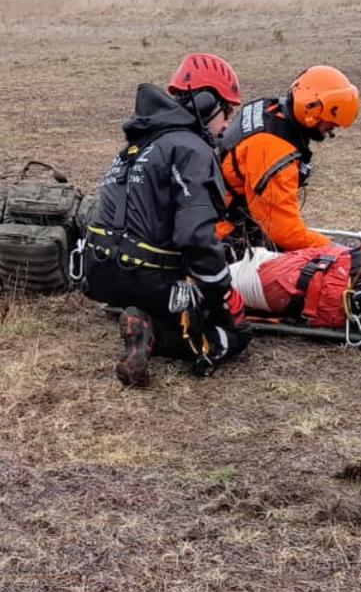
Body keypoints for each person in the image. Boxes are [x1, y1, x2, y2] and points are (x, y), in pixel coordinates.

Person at [83, 54, 252, 387]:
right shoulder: (192, 149)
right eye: (227, 113)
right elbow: (195, 238)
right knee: (237, 333)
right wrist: (222, 291)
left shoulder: (140, 142)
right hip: (149, 278)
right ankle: (160, 336)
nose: (226, 126)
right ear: (206, 105)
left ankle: (147, 317)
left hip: (101, 271)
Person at [218, 65, 360, 254]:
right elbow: (285, 233)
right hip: (221, 233)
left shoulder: (270, 110)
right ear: (312, 109)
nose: (334, 128)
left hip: (225, 214)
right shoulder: (273, 150)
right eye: (332, 119)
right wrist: (335, 250)